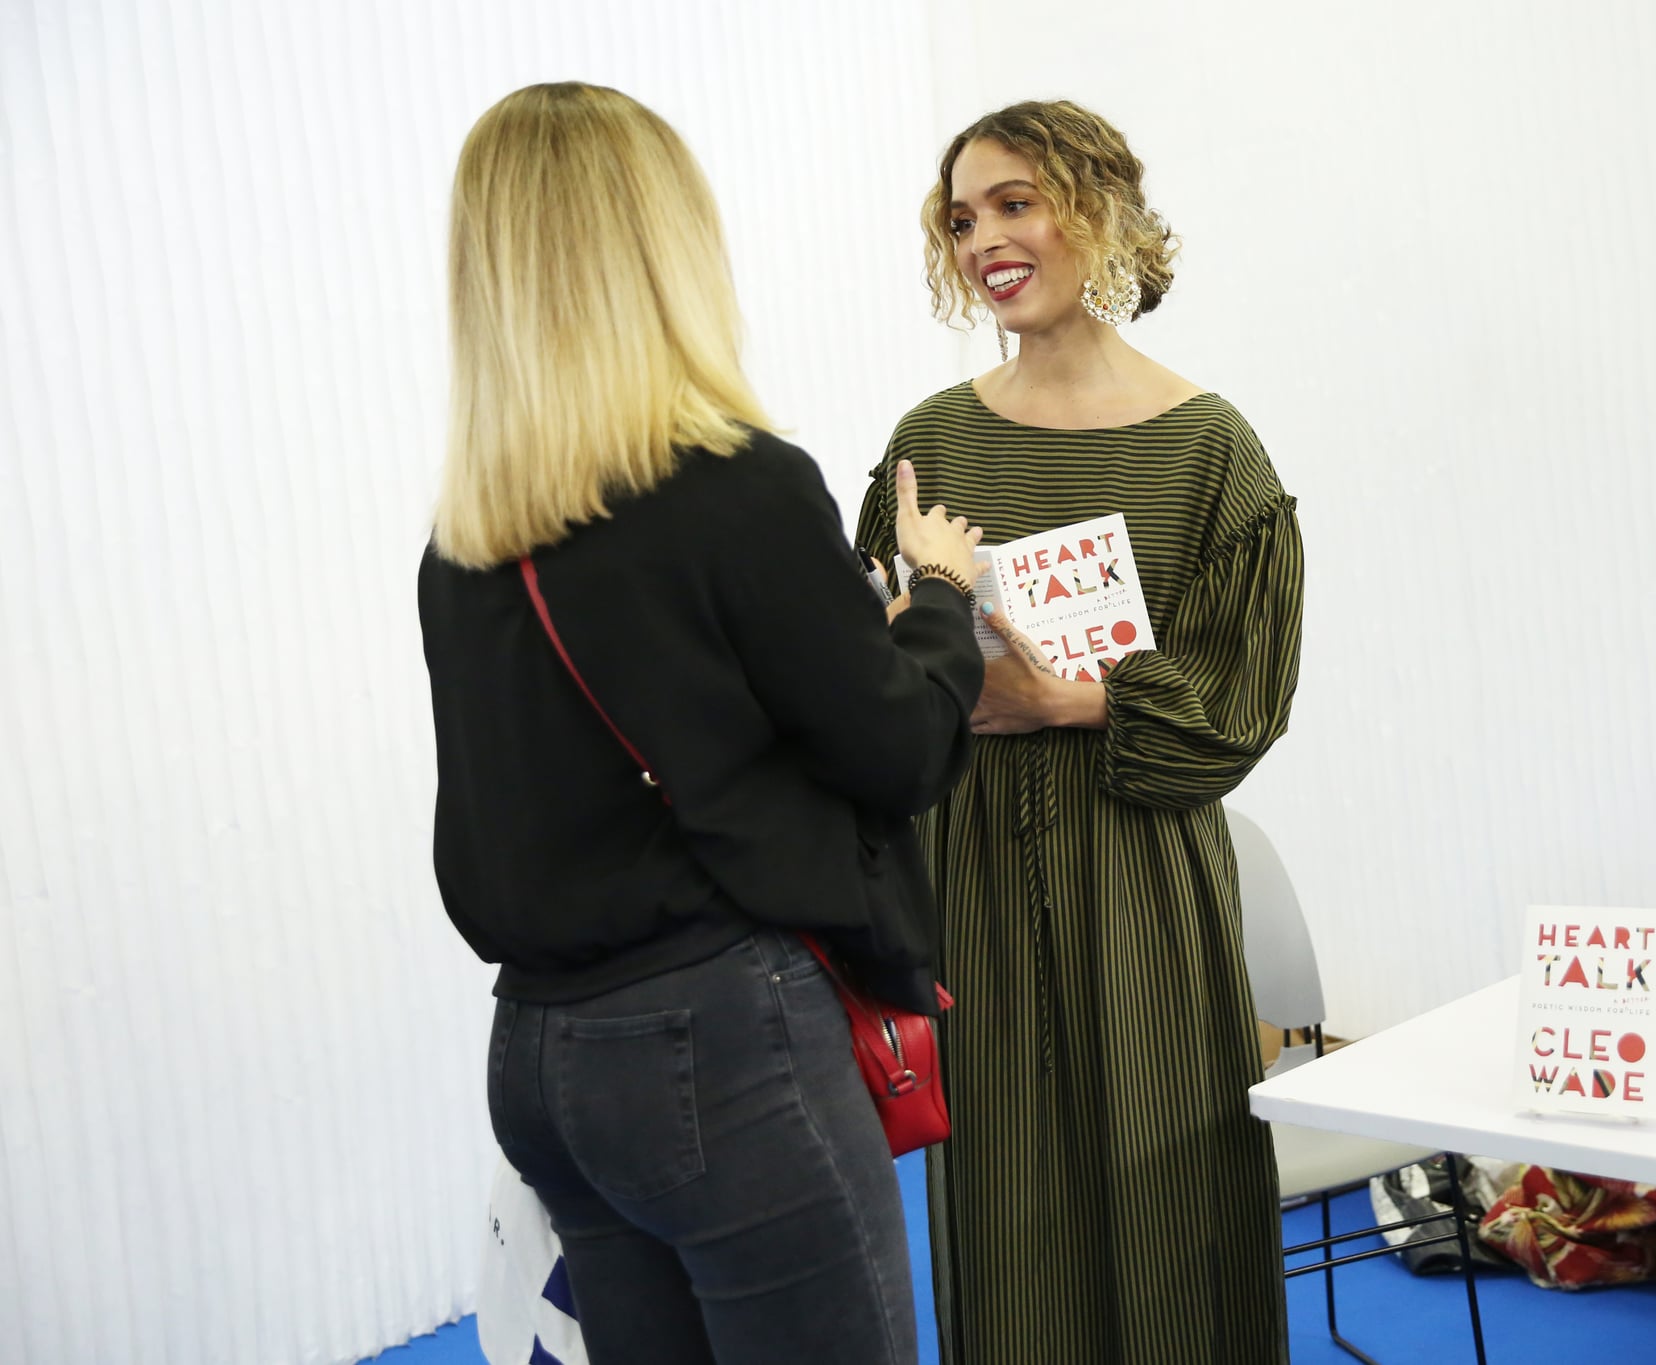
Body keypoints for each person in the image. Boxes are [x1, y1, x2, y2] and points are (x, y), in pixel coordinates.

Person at [418, 82, 986, 1365]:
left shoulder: (462, 552)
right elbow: (896, 749)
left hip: (542, 1056)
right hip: (716, 1048)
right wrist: (939, 600)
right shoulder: (734, 491)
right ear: (663, 247)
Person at [855, 99, 1304, 1364]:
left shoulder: (1208, 451)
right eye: (960, 218)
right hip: (974, 876)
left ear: (1093, 211)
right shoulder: (925, 446)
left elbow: (1242, 695)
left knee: (1175, 1196)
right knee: (1005, 1211)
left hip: (1141, 876)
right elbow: (857, 660)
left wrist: (1059, 701)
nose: (984, 238)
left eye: (1014, 202)